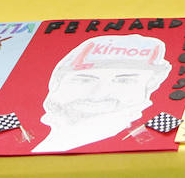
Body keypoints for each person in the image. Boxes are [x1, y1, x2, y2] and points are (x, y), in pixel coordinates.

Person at [34, 35, 172, 153]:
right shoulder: (41, 141)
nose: (98, 95)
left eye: (124, 80)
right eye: (84, 80)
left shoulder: (143, 143)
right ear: (56, 82)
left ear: (151, 84)